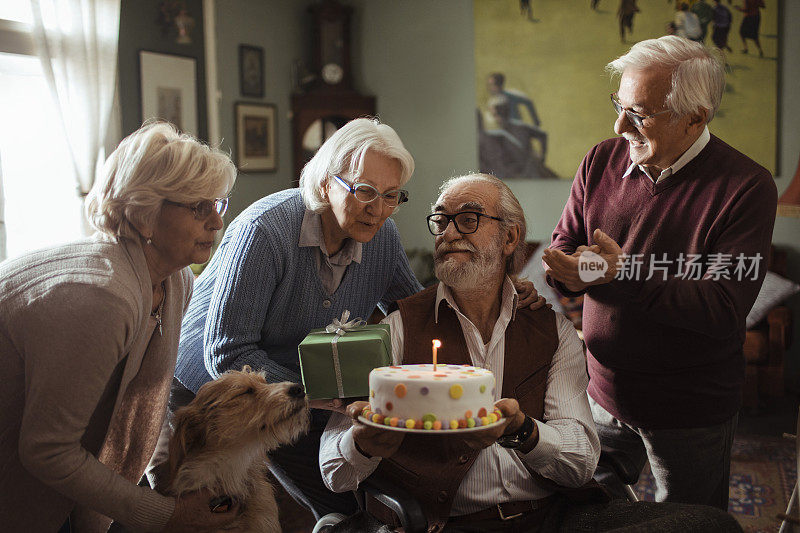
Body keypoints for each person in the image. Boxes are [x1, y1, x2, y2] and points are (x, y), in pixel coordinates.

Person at [321, 174, 744, 532]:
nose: (449, 233)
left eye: (468, 219)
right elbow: (333, 469)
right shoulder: (396, 328)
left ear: (510, 238)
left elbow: (580, 461)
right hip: (449, 523)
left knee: (711, 524)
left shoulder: (552, 331)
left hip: (551, 518)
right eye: (441, 221)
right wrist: (362, 443)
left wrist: (523, 431)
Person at [171, 118, 545, 519]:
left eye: (391, 196)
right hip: (215, 396)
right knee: (310, 506)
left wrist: (504, 287)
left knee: (364, 488)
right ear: (326, 183)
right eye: (365, 191)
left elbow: (415, 311)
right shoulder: (266, 230)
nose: (378, 210)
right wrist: (319, 394)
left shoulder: (380, 236)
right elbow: (228, 353)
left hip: (305, 393)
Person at [544, 36, 777, 510]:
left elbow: (721, 308)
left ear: (697, 117)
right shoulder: (600, 160)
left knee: (689, 522)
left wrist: (620, 273)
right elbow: (563, 252)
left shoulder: (746, 187)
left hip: (690, 411)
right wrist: (577, 271)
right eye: (620, 105)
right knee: (586, 512)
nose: (619, 125)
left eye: (641, 114)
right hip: (601, 394)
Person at [0, 122, 240, 532]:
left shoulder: (175, 278)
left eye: (218, 203)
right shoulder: (101, 297)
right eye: (199, 207)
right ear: (144, 213)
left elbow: (150, 397)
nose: (216, 223)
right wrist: (166, 515)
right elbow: (46, 450)